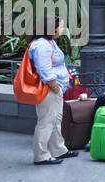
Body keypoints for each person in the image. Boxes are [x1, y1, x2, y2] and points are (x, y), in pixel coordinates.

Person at [29, 13, 78, 165]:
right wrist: (55, 87)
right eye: (61, 26)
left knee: (55, 119)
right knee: (46, 121)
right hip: (48, 90)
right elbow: (44, 70)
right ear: (52, 29)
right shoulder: (42, 45)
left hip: (54, 89)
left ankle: (58, 149)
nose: (63, 29)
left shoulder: (49, 42)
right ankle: (41, 155)